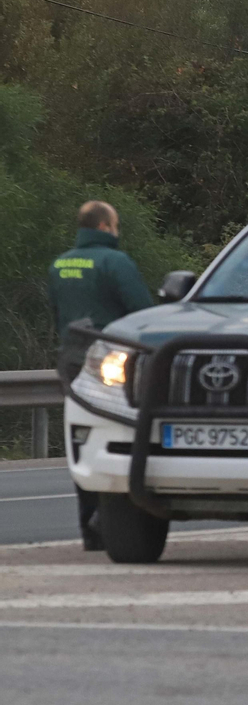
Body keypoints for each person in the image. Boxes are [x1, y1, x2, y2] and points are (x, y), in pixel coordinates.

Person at [48, 201, 154, 552]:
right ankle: (108, 521)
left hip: (71, 358)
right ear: (107, 226)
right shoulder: (115, 262)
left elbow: (58, 313)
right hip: (111, 364)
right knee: (118, 435)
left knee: (83, 437)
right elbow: (143, 314)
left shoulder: (60, 264)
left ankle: (90, 529)